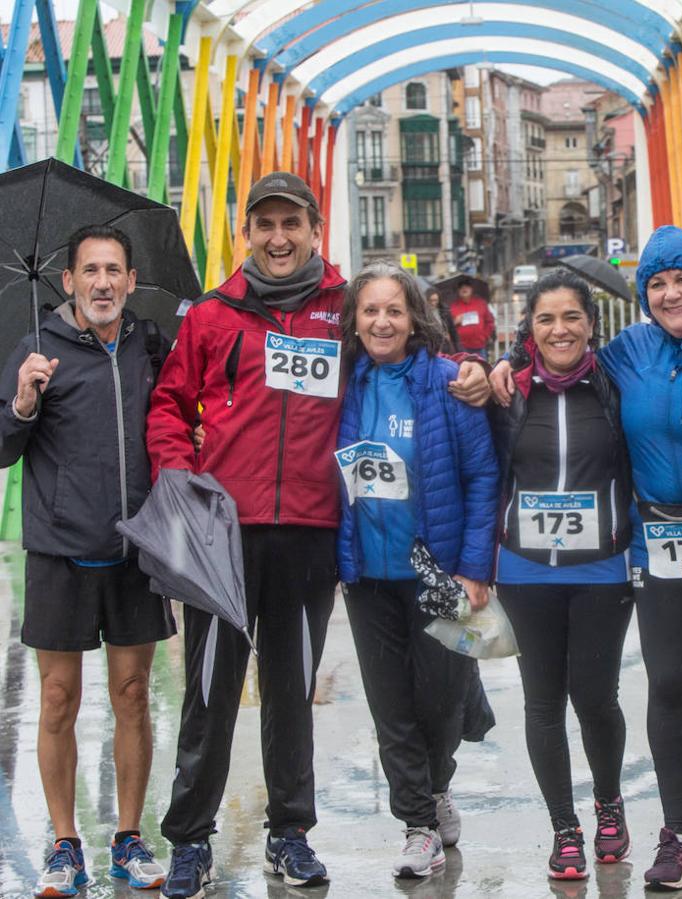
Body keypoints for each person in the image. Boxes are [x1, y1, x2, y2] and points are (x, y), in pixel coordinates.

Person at [147, 171, 490, 899]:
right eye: (265, 225)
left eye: (291, 224)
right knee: (210, 692)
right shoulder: (211, 316)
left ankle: (290, 834)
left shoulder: (341, 311)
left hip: (307, 533)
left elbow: (408, 355)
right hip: (221, 536)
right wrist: (180, 481)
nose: (278, 238)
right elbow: (169, 405)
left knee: (290, 691)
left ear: (312, 230)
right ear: (248, 232)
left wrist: (481, 375)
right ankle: (189, 840)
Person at [492, 225, 682, 891]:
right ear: (644, 293)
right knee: (671, 683)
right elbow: (561, 345)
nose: (672, 292)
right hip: (661, 544)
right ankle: (677, 835)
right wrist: (506, 357)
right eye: (657, 283)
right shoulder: (627, 352)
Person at [0, 225, 174, 897]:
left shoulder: (150, 344)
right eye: (90, 271)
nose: (103, 282)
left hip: (135, 547)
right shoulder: (35, 348)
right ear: (67, 281)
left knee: (133, 695)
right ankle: (66, 843)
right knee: (56, 699)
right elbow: (3, 446)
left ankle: (129, 838)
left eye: (115, 270)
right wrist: (21, 402)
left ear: (130, 281)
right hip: (58, 551)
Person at [335, 263, 498, 880]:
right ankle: (418, 825)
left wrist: (476, 567)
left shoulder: (449, 382)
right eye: (370, 310)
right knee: (390, 703)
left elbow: (483, 475)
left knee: (440, 698)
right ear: (354, 320)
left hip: (439, 572)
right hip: (367, 573)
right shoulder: (344, 386)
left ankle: (437, 784)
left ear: (413, 320)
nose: (381, 322)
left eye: (393, 311)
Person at [491, 269, 635, 881]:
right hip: (524, 572)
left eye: (571, 317)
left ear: (591, 325)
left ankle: (608, 805)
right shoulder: (510, 393)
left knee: (596, 698)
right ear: (529, 329)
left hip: (602, 568)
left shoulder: (615, 386)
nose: (559, 329)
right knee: (543, 703)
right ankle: (564, 828)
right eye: (546, 319)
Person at [449, 277, 496, 358]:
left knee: (481, 369)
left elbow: (490, 322)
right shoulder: (453, 307)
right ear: (458, 291)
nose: (464, 288)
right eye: (461, 287)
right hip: (461, 347)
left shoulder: (481, 303)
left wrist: (485, 336)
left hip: (480, 346)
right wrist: (455, 322)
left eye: (467, 286)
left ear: (471, 289)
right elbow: (447, 327)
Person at [427, 286, 461, 353]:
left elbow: (452, 330)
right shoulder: (423, 313)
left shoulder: (444, 310)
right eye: (431, 300)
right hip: (431, 346)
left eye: (435, 300)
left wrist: (458, 348)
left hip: (445, 345)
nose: (433, 303)